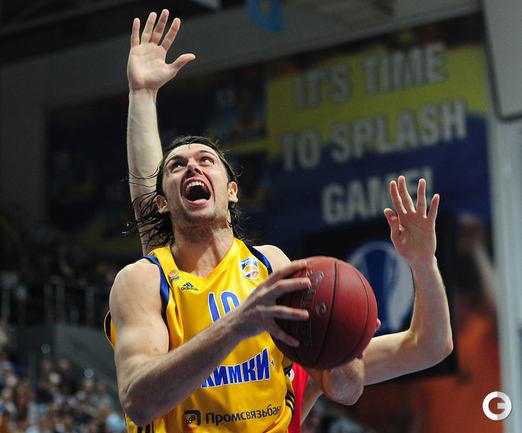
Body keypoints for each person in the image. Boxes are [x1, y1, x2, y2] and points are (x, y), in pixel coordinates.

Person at [105, 9, 453, 433]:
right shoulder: (150, 277)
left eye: (206, 159)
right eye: (176, 165)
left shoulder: (272, 269)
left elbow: (404, 360)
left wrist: (420, 266)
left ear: (232, 190)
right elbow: (139, 402)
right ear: (162, 202)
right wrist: (141, 95)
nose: (192, 167)